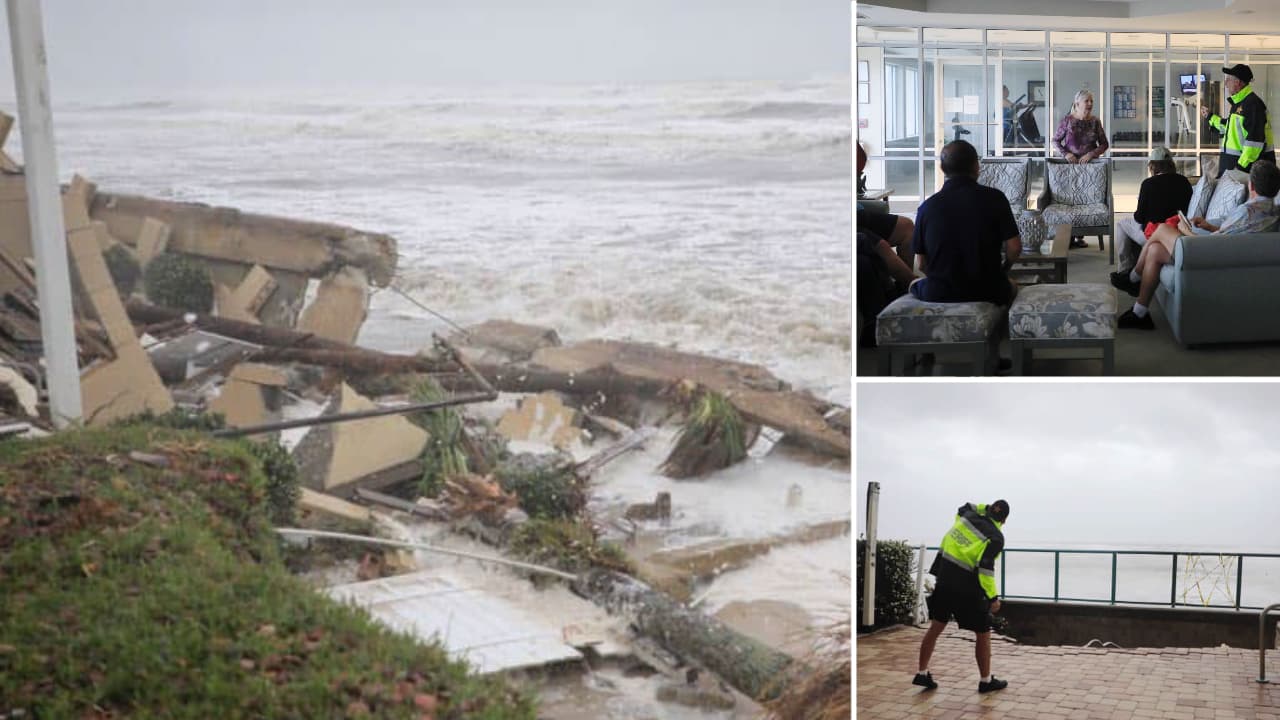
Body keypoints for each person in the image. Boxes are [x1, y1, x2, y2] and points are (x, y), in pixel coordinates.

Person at [1113, 159, 1280, 330]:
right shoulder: (1271, 211)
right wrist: (1210, 226)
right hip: (1218, 250)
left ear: (1251, 186)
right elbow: (1231, 234)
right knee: (1155, 250)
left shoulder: (1246, 211)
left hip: (1204, 253)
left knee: (1162, 228)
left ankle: (1134, 277)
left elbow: (1220, 242)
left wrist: (1185, 231)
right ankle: (1140, 312)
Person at [913, 500, 1011, 694]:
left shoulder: (968, 516)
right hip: (966, 588)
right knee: (983, 633)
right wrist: (993, 598)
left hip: (944, 578)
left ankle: (922, 673)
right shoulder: (996, 537)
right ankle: (985, 681)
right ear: (1005, 520)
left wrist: (985, 507)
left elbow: (965, 505)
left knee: (936, 627)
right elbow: (985, 570)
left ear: (990, 509)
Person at [910, 139, 1020, 306]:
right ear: (977, 166)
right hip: (988, 291)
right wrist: (1003, 270)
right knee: (1013, 286)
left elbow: (921, 263)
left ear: (942, 169)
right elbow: (1014, 248)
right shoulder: (995, 198)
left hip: (939, 292)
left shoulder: (927, 207)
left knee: (913, 284)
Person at [1113, 147, 1193, 275]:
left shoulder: (1148, 184)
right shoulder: (1184, 182)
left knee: (1122, 224)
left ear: (1152, 166)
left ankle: (1125, 270)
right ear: (1171, 164)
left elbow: (1139, 217)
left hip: (1151, 234)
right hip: (1175, 234)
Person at [1052, 89, 1110, 248]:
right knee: (1071, 199)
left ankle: (1079, 236)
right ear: (1077, 104)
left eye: (1091, 101)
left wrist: (1091, 154)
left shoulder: (1095, 121)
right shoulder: (1067, 121)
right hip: (1070, 168)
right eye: (1087, 101)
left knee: (1086, 200)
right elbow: (1055, 141)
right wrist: (1066, 154)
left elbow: (1105, 144)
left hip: (1090, 169)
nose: (1090, 104)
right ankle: (1068, 237)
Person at [1202, 64, 1275, 178]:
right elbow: (1230, 128)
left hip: (1244, 173)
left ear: (1238, 82)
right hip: (1234, 170)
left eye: (1229, 80)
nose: (1226, 83)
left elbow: (1254, 143)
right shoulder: (1240, 104)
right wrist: (1210, 117)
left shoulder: (1252, 104)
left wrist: (1239, 168)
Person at [857, 141, 915, 266]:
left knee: (907, 226)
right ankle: (909, 281)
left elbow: (859, 161)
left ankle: (907, 283)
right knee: (881, 246)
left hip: (857, 212)